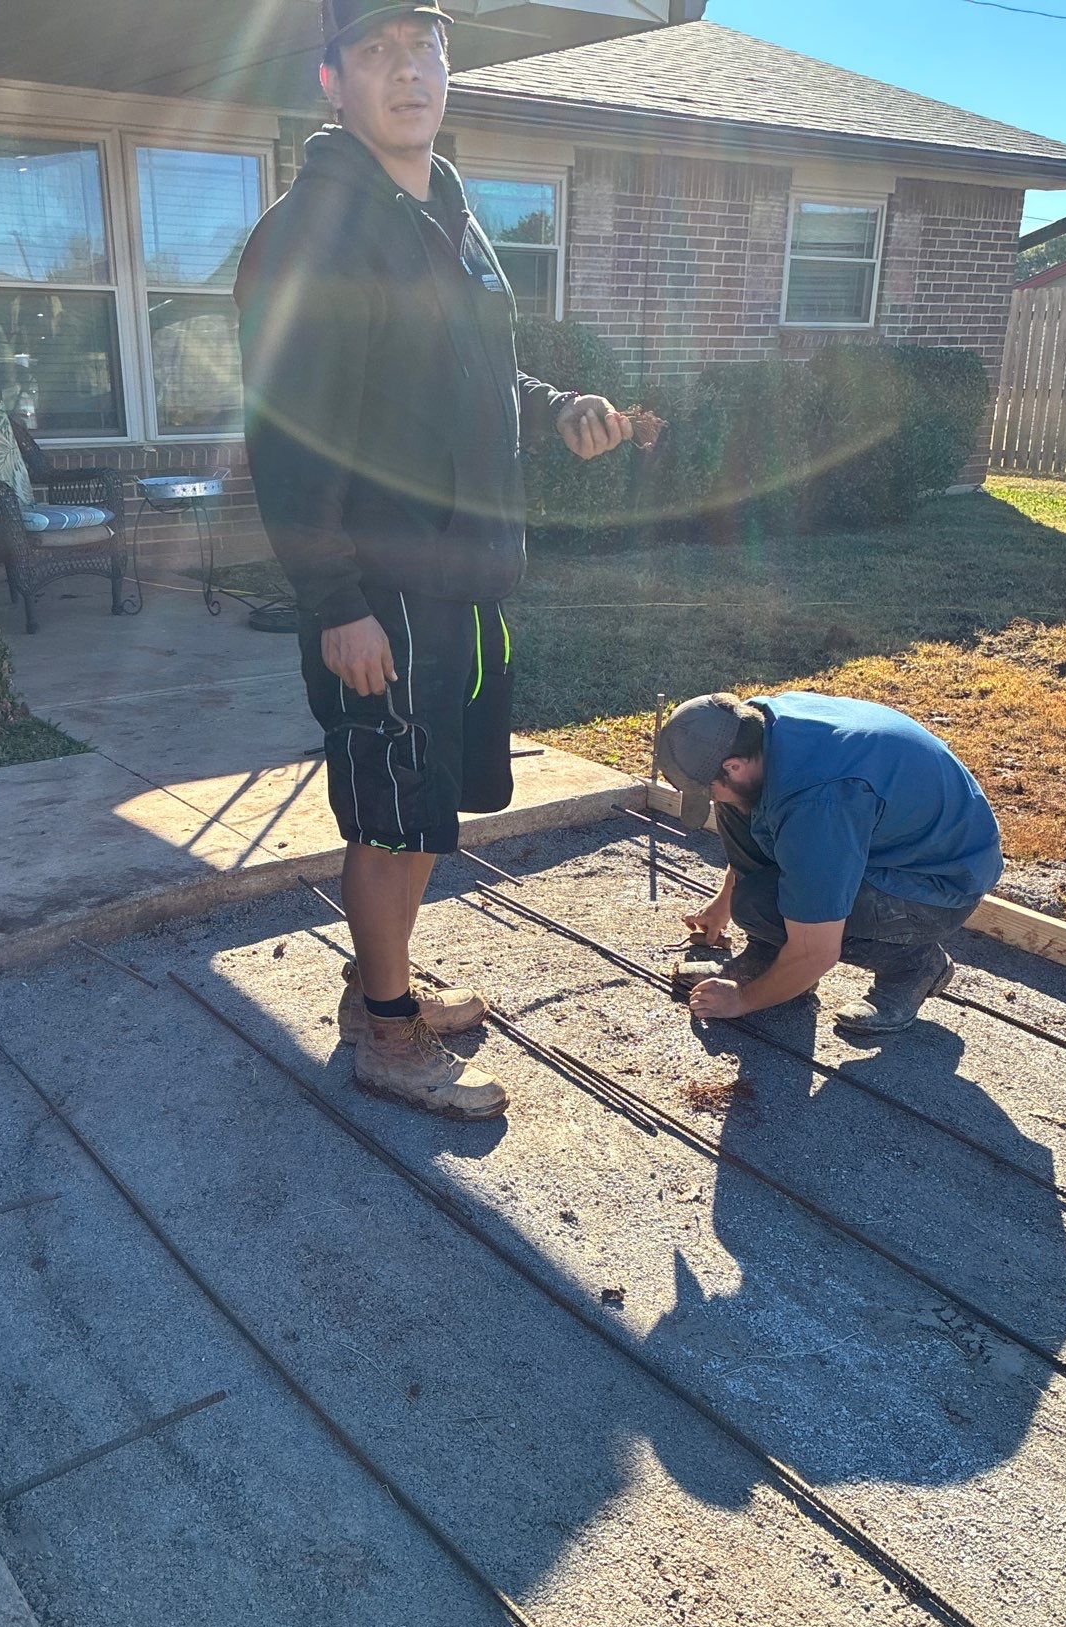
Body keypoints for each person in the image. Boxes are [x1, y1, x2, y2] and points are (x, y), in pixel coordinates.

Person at [235, 0, 630, 1118]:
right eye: (377, 53)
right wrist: (335, 603)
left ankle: (382, 991)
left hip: (470, 574)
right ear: (331, 81)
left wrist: (554, 407)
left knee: (430, 806)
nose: (409, 72)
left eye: (426, 48)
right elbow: (288, 441)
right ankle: (390, 1038)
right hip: (385, 589)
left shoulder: (446, 208)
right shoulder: (315, 231)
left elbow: (470, 372)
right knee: (388, 812)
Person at [656, 689, 1004, 1034]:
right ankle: (770, 957)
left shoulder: (819, 803)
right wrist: (723, 904)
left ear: (733, 765)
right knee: (736, 806)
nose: (710, 798)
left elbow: (816, 951)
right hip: (891, 838)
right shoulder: (752, 727)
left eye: (708, 789)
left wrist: (742, 1000)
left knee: (764, 905)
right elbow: (757, 817)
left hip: (937, 882)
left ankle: (914, 967)